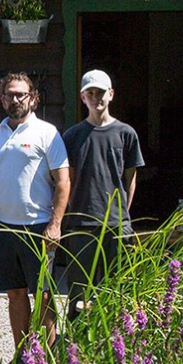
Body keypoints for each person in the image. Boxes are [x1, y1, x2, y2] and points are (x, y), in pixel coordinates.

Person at [0, 72, 70, 363]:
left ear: (33, 97)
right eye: (10, 95)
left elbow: (63, 181)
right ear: (2, 99)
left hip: (38, 227)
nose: (15, 99)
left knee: (42, 295)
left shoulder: (47, 132)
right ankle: (24, 359)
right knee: (15, 294)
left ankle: (49, 359)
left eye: (21, 94)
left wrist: (55, 224)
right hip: (4, 227)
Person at [62, 69, 144, 321]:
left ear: (111, 94)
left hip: (117, 226)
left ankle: (115, 349)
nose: (96, 97)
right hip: (81, 224)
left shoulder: (126, 133)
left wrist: (123, 215)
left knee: (117, 291)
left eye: (101, 92)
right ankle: (76, 349)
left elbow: (129, 179)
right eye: (91, 93)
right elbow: (68, 179)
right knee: (79, 294)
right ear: (82, 97)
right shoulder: (72, 136)